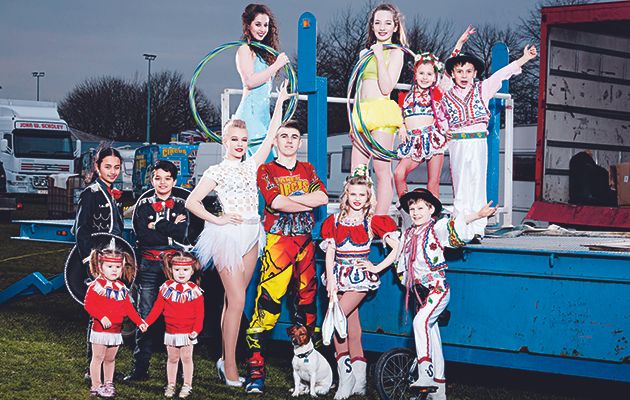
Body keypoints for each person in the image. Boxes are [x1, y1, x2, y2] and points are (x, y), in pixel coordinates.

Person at [186, 80, 292, 388]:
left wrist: (280, 101)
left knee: (233, 302)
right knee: (235, 300)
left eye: (244, 139)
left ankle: (223, 359)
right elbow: (192, 201)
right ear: (225, 140)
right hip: (227, 236)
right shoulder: (215, 172)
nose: (240, 144)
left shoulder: (251, 166)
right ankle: (231, 368)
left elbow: (272, 136)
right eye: (235, 139)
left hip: (251, 235)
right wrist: (216, 220)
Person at [245, 120, 328, 394]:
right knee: (267, 307)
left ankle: (310, 375)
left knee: (307, 305)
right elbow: (275, 202)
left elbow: (323, 199)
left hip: (305, 243)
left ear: (300, 142)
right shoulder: (266, 169)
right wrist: (304, 198)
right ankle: (255, 374)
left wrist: (290, 198)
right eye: (284, 136)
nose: (290, 141)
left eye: (294, 136)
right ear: (275, 141)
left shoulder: (308, 169)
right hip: (279, 245)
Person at [396, 188, 496, 399]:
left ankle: (425, 373)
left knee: (419, 323)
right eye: (412, 208)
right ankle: (438, 391)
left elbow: (454, 226)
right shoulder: (408, 234)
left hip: (437, 289)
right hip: (420, 293)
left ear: (431, 209)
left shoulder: (436, 228)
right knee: (432, 337)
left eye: (420, 208)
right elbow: (402, 262)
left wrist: (477, 215)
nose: (415, 212)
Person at [321, 165, 400, 399]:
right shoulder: (334, 221)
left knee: (336, 320)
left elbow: (398, 247)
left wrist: (376, 267)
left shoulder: (372, 221)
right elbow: (330, 253)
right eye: (353, 194)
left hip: (359, 279)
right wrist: (331, 281)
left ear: (368, 197)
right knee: (351, 329)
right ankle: (357, 380)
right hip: (338, 277)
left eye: (362, 195)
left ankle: (345, 381)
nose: (357, 199)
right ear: (346, 194)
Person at [442, 45, 538, 237]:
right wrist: (444, 130)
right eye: (459, 71)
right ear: (452, 73)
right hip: (458, 142)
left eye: (468, 71)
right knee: (461, 185)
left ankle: (477, 229)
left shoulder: (482, 88)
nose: (464, 75)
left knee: (477, 182)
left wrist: (524, 59)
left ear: (475, 73)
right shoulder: (446, 91)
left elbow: (502, 74)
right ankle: (459, 228)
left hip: (477, 141)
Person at [125, 160, 190, 382]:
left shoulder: (182, 204)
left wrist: (158, 225)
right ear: (151, 179)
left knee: (179, 316)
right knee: (145, 317)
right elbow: (144, 236)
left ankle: (181, 372)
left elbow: (183, 234)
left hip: (174, 267)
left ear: (174, 180)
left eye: (167, 178)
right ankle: (139, 369)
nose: (162, 183)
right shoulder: (143, 206)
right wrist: (168, 230)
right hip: (149, 265)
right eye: (157, 178)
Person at [394, 26, 476, 199]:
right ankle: (406, 207)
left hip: (432, 139)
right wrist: (401, 126)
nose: (425, 77)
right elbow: (398, 114)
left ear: (434, 76)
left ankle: (434, 215)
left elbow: (449, 67)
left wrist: (459, 43)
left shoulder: (438, 91)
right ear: (415, 74)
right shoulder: (405, 96)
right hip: (413, 141)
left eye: (429, 74)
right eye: (421, 73)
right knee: (399, 173)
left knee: (433, 181)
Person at [350, 3, 407, 215]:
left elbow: (386, 86)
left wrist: (379, 55)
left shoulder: (396, 52)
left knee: (382, 170)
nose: (382, 27)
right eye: (377, 22)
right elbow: (357, 87)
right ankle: (359, 216)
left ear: (395, 27)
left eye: (387, 23)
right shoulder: (364, 52)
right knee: (358, 171)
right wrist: (353, 120)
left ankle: (380, 218)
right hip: (362, 113)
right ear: (372, 26)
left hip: (381, 113)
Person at [73, 145, 124, 378]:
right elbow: (81, 231)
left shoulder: (112, 192)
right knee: (98, 316)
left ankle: (106, 365)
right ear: (97, 167)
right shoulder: (91, 193)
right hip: (98, 263)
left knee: (113, 313)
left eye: (116, 167)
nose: (113, 171)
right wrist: (91, 263)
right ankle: (92, 367)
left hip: (113, 262)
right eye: (107, 167)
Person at [84, 244, 147, 398]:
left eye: (118, 266)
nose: (114, 270)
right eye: (110, 266)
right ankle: (96, 385)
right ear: (100, 266)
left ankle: (108, 383)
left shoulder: (121, 288)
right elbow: (88, 304)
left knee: (110, 359)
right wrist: (100, 316)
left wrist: (139, 322)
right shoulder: (96, 286)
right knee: (97, 358)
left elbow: (129, 308)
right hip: (100, 331)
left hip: (115, 331)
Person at [144, 252, 204, 398]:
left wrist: (196, 330)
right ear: (171, 270)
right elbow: (157, 309)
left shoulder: (195, 292)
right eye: (177, 270)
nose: (181, 273)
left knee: (187, 359)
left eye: (185, 270)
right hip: (171, 331)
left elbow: (200, 314)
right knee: (172, 359)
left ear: (192, 270)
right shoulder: (166, 288)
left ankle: (187, 385)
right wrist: (147, 322)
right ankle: (171, 385)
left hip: (188, 332)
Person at [235, 3, 290, 156]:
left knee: (266, 165)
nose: (262, 29)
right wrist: (276, 65)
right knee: (264, 162)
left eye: (265, 25)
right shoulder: (245, 49)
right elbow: (250, 81)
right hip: (249, 115)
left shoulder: (263, 54)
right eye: (258, 24)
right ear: (248, 25)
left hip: (263, 116)